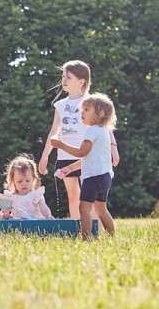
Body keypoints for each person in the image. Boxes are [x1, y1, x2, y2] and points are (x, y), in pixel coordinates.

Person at [38, 60, 119, 219]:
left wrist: (113, 148)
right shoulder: (60, 105)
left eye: (68, 77)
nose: (64, 81)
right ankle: (77, 226)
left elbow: (105, 127)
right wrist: (45, 155)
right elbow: (54, 131)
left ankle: (96, 228)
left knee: (92, 197)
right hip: (65, 156)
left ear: (81, 81)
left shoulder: (92, 103)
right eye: (63, 76)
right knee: (73, 195)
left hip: (87, 156)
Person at [50, 93, 117, 239]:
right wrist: (70, 168)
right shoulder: (103, 132)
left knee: (84, 209)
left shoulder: (92, 131)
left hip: (92, 178)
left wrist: (61, 145)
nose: (82, 113)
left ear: (99, 114)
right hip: (104, 177)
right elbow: (89, 157)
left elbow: (81, 152)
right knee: (101, 211)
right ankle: (112, 237)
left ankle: (86, 239)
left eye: (86, 110)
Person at [0, 155, 54, 220]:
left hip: (35, 222)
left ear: (33, 179)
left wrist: (48, 216)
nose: (24, 184)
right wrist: (5, 215)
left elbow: (44, 208)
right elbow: (3, 214)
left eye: (28, 180)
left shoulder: (36, 195)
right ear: (13, 181)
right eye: (20, 181)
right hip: (18, 224)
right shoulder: (10, 197)